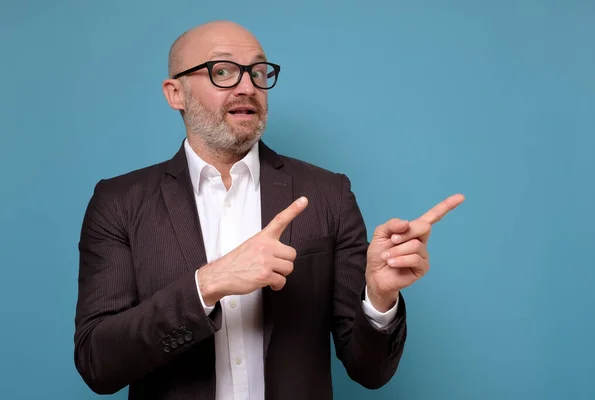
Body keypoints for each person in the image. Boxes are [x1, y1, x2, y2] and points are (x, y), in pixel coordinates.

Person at [74, 20, 464, 400]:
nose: (247, 86)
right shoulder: (119, 202)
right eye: (222, 71)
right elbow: (97, 363)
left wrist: (378, 299)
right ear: (175, 93)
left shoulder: (329, 194)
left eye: (258, 72)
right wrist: (207, 285)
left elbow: (370, 372)